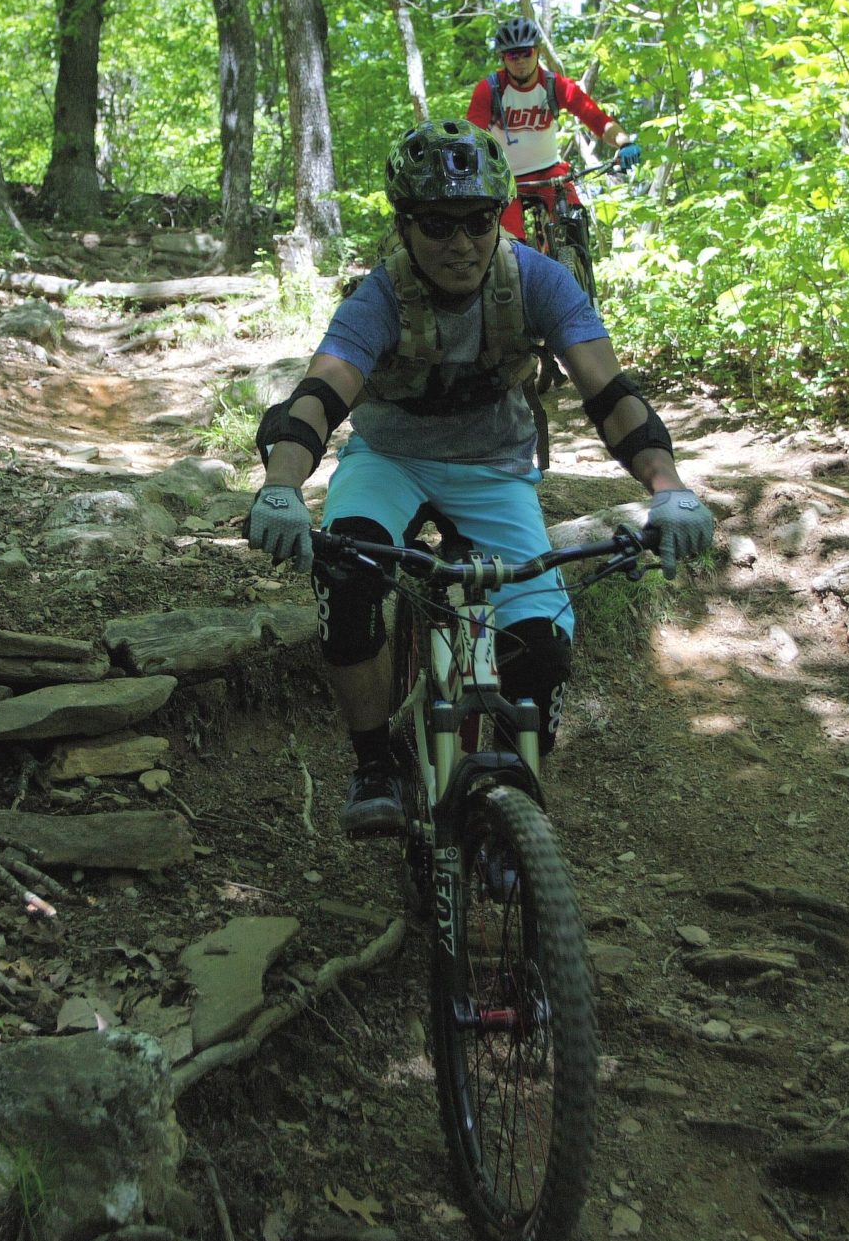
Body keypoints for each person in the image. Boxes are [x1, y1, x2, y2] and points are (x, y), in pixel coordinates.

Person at [243, 119, 716, 837]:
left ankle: (520, 802)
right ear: (404, 226)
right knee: (349, 578)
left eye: (478, 220)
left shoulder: (539, 282)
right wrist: (281, 486)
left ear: (500, 216)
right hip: (389, 461)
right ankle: (374, 762)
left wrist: (669, 487)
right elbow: (318, 397)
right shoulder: (379, 297)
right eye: (438, 223)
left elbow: (612, 396)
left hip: (494, 471)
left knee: (543, 646)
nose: (461, 243)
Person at [465, 15, 643, 249]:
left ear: (537, 51)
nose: (520, 62)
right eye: (512, 55)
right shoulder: (490, 90)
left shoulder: (554, 86)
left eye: (526, 53)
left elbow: (596, 118)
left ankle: (579, 275)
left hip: (550, 173)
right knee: (508, 246)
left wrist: (624, 142)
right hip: (506, 178)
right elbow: (471, 139)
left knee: (574, 223)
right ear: (503, 59)